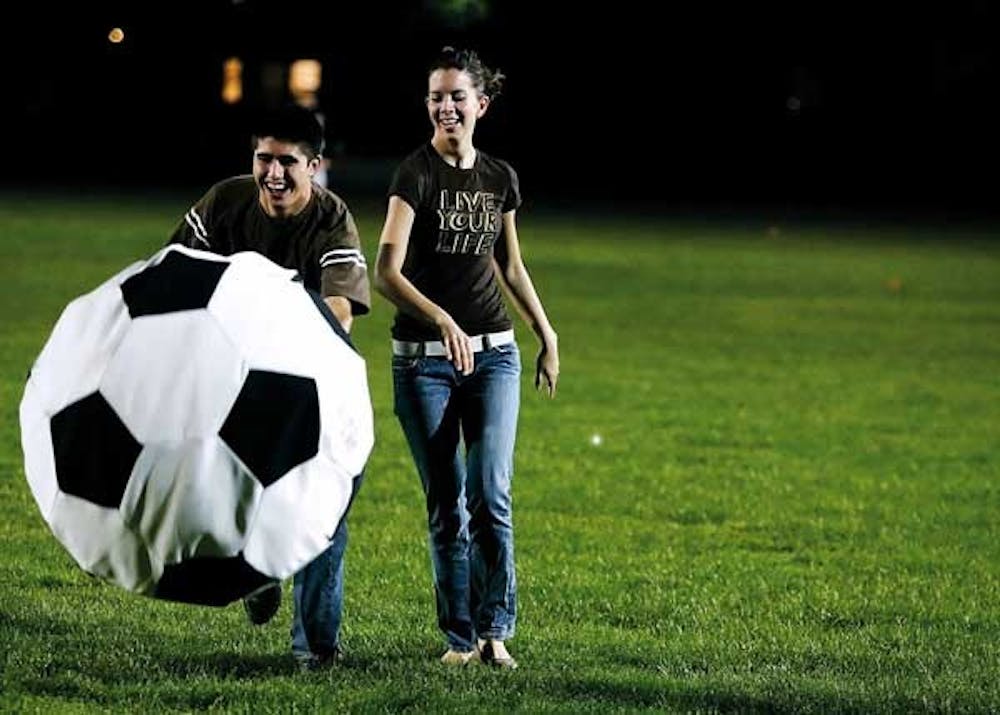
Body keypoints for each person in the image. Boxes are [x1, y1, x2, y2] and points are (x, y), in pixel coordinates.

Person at [167, 103, 371, 671]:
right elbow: (176, 270)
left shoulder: (332, 218)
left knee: (323, 511)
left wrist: (260, 340)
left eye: (288, 162)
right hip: (231, 387)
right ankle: (257, 571)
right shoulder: (225, 202)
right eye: (264, 159)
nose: (273, 174)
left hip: (319, 386)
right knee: (229, 495)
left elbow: (338, 312)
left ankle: (315, 651)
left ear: (315, 165)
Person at [374, 46, 559, 670]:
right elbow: (386, 272)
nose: (445, 106)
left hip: (495, 357)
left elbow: (509, 264)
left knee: (491, 494)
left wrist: (546, 333)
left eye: (457, 96)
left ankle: (494, 632)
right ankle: (458, 640)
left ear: (481, 104)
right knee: (445, 506)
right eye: (436, 96)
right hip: (422, 361)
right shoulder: (414, 174)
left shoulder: (499, 177)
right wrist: (441, 318)